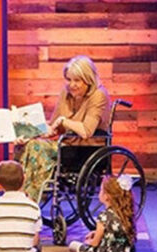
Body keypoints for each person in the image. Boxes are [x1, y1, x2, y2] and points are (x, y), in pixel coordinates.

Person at [14, 55, 110, 201]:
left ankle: (32, 198)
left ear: (88, 80)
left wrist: (65, 121)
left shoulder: (98, 95)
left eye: (77, 80)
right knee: (26, 145)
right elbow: (53, 128)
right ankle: (18, 195)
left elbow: (86, 131)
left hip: (86, 149)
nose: (72, 85)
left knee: (37, 148)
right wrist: (28, 133)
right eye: (69, 79)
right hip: (66, 144)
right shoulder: (66, 93)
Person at [66, 175, 136, 252]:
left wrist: (88, 242)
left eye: (101, 190)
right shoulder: (125, 214)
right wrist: (97, 232)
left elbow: (95, 243)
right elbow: (115, 232)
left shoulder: (104, 216)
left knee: (73, 245)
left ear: (107, 196)